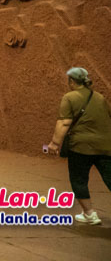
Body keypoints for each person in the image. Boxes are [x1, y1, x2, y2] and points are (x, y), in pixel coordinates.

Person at [47, 67, 111, 225]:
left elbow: (64, 122)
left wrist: (55, 143)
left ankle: (90, 214)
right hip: (105, 146)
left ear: (72, 81)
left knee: (79, 180)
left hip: (80, 147)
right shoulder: (99, 97)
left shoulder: (69, 97)